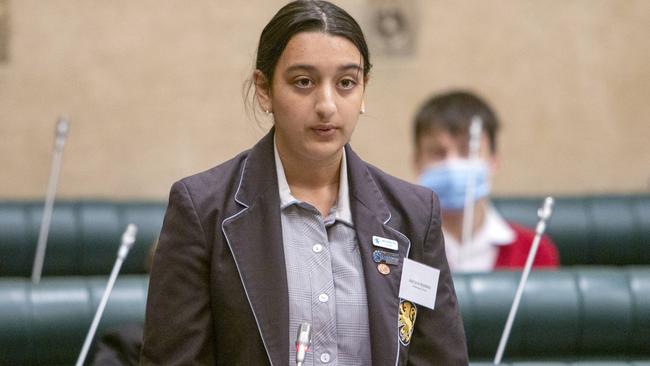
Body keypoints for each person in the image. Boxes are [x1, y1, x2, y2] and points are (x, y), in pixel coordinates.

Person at [141, 1, 467, 365]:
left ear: (364, 91)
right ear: (264, 90)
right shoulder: (203, 211)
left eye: (346, 83)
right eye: (303, 82)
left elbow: (440, 358)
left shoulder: (414, 215)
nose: (326, 105)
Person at [413, 90, 559, 272]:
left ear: (494, 161)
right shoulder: (401, 247)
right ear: (416, 162)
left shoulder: (534, 252)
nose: (451, 164)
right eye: (438, 152)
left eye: (467, 151)